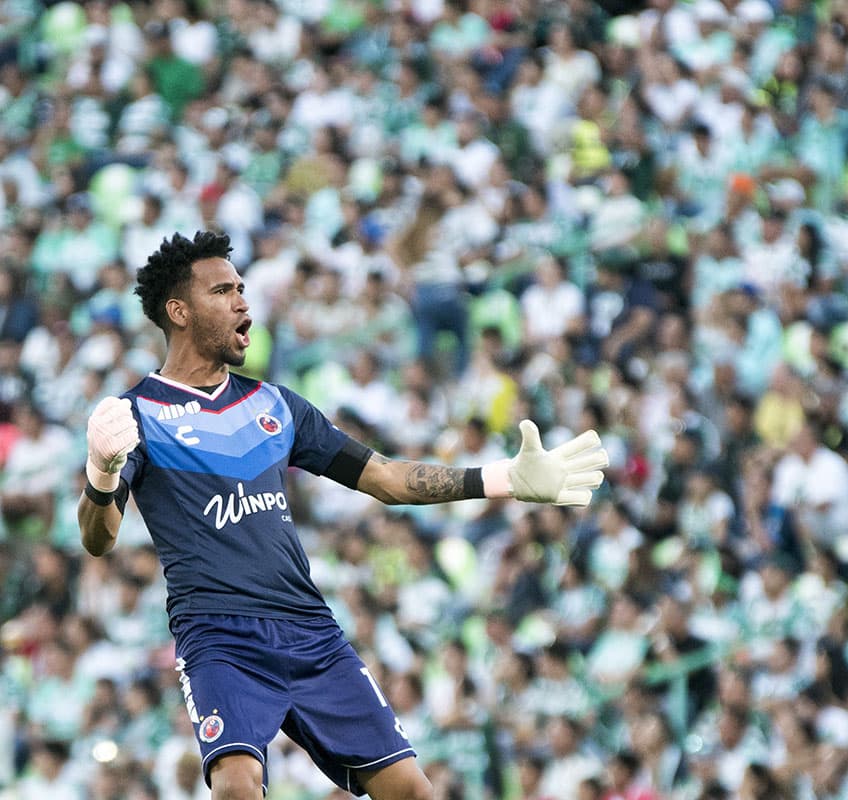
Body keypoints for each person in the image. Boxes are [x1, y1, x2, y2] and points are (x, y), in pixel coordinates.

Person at [76, 231, 609, 800]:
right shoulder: (136, 414)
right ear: (179, 311)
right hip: (219, 635)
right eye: (222, 291)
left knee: (413, 791)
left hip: (309, 629)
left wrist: (504, 478)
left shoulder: (276, 405)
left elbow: (387, 478)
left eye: (241, 289)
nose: (242, 302)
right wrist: (102, 476)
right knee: (236, 785)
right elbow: (98, 539)